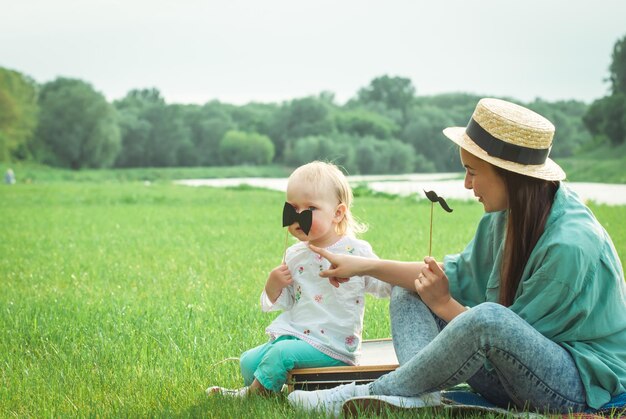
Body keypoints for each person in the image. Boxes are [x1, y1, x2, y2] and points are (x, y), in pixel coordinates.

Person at [288, 98, 626, 416]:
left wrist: (446, 305)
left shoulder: (568, 246)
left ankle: (368, 392)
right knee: (411, 288)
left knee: (488, 319)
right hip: (510, 369)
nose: (466, 184)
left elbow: (504, 340)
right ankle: (421, 396)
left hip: (571, 385)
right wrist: (366, 266)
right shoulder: (511, 215)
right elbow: (451, 276)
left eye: (473, 172)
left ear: (509, 174)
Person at [207, 161, 392, 397]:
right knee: (247, 362)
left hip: (334, 347)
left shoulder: (354, 251)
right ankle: (272, 386)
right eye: (293, 208)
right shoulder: (295, 254)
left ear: (337, 213)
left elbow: (382, 284)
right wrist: (273, 286)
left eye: (310, 208)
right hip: (298, 335)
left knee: (280, 354)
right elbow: (287, 302)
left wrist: (408, 282)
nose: (297, 217)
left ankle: (251, 396)